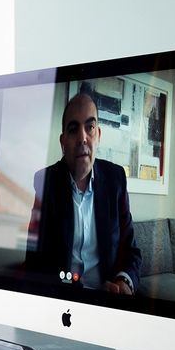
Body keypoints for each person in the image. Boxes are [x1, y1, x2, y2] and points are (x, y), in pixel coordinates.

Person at [24, 86, 142, 294]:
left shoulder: (116, 180)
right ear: (63, 142)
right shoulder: (46, 182)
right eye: (73, 129)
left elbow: (131, 251)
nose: (82, 138)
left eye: (90, 127)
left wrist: (124, 282)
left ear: (98, 135)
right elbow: (35, 258)